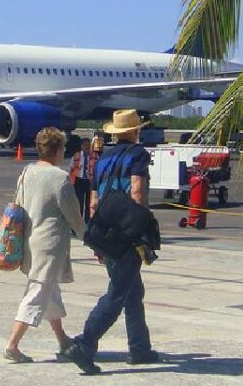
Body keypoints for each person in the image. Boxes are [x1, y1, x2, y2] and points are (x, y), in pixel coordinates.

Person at [64, 110, 158, 375]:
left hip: (105, 232)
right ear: (134, 131)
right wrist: (141, 227)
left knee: (132, 290)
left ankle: (140, 348)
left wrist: (97, 240)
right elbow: (137, 190)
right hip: (128, 232)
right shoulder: (137, 155)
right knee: (117, 293)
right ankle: (84, 343)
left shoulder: (102, 158)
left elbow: (93, 201)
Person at [3, 127, 86, 363]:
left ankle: (62, 340)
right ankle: (12, 345)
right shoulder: (59, 177)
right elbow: (73, 215)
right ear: (58, 150)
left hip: (28, 241)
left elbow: (17, 203)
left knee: (50, 294)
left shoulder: (27, 171)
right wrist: (86, 236)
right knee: (37, 294)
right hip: (49, 245)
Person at [65, 136, 90, 222]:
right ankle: (77, 222)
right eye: (85, 145)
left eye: (88, 145)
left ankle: (88, 222)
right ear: (81, 146)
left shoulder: (94, 156)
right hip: (79, 181)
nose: (87, 147)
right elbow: (71, 169)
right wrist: (71, 182)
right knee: (79, 203)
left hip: (90, 181)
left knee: (89, 203)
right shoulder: (76, 156)